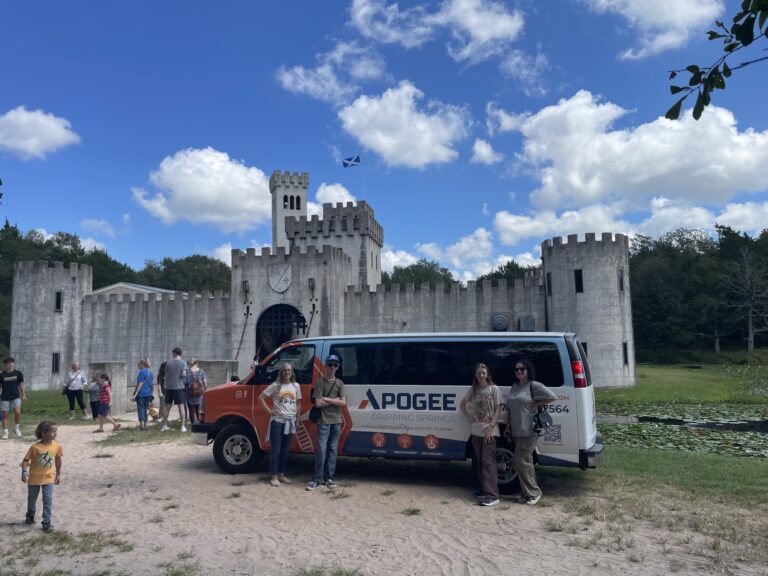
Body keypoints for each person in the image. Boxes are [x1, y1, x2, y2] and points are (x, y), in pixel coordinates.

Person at [504, 358, 557, 506]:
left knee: (519, 460)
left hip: (529, 429)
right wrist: (508, 426)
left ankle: (534, 492)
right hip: (516, 429)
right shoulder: (514, 387)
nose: (519, 371)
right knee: (526, 461)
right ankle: (526, 494)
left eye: (522, 369)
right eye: (517, 370)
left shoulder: (534, 385)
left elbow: (553, 397)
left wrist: (537, 403)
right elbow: (509, 408)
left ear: (528, 370)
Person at [460, 363, 502, 507]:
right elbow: (462, 405)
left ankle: (493, 495)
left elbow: (498, 409)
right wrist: (470, 418)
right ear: (476, 376)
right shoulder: (473, 390)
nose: (481, 375)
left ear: (487, 374)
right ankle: (484, 490)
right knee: (478, 461)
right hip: (476, 431)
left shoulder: (494, 389)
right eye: (479, 373)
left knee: (488, 461)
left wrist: (491, 426)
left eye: (483, 373)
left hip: (489, 431)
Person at [306, 355, 346, 492]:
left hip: (337, 421)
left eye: (335, 365)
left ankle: (330, 478)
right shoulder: (320, 383)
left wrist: (327, 399)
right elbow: (317, 403)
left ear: (338, 367)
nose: (332, 367)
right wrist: (335, 400)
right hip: (323, 421)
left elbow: (343, 403)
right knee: (322, 450)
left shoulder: (340, 383)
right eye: (330, 364)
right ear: (326, 366)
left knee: (333, 450)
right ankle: (317, 479)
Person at [258, 362, 301, 487]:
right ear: (281, 372)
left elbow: (298, 403)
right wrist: (269, 411)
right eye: (285, 370)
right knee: (276, 450)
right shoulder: (276, 386)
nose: (287, 372)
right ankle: (274, 476)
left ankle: (281, 474)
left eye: (289, 370)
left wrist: (297, 420)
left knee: (285, 450)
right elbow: (260, 398)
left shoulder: (295, 386)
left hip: (290, 421)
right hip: (278, 421)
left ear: (292, 372)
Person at [21, 420, 62, 532]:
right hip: (34, 479)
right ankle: (30, 515)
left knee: (47, 500)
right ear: (43, 433)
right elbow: (25, 460)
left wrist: (58, 474)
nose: (55, 433)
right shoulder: (35, 447)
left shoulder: (57, 446)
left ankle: (46, 522)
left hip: (49, 478)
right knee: (32, 499)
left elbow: (58, 460)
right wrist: (24, 472)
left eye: (56, 431)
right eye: (53, 431)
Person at [161, 348, 188, 432]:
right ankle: (183, 426)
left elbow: (165, 374)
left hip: (169, 388)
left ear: (175, 353)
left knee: (167, 407)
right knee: (181, 407)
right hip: (179, 387)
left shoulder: (168, 363)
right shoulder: (183, 363)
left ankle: (164, 425)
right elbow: (184, 375)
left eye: (172, 353)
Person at [1, 357, 26, 439]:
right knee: (5, 415)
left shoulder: (18, 373)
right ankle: (5, 432)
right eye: (8, 363)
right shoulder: (2, 375)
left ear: (13, 363)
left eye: (11, 362)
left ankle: (16, 428)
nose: (10, 364)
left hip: (16, 396)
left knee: (18, 412)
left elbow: (21, 384)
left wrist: (23, 394)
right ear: (6, 364)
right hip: (5, 397)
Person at [132, 359, 154, 430]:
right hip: (148, 393)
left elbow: (140, 384)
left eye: (139, 364)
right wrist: (151, 393)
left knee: (141, 409)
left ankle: (141, 425)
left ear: (142, 364)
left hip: (141, 393)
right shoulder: (150, 372)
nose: (138, 366)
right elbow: (151, 384)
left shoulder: (141, 372)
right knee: (146, 408)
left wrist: (135, 394)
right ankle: (146, 424)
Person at [184, 358, 207, 425]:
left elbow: (185, 382)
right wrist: (205, 389)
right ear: (197, 363)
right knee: (198, 408)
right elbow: (205, 381)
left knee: (191, 408)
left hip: (189, 394)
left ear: (190, 364)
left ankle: (193, 423)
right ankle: (199, 422)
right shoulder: (202, 371)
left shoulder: (187, 371)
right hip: (199, 394)